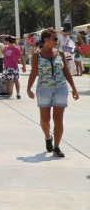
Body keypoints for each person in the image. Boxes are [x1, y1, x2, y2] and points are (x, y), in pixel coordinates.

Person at [26, 29, 79, 157]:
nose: (57, 41)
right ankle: (47, 137)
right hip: (43, 89)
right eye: (55, 38)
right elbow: (34, 72)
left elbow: (66, 71)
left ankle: (57, 146)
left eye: (57, 39)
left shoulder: (60, 53)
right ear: (46, 40)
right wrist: (28, 88)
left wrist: (74, 88)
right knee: (45, 120)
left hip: (61, 88)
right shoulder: (36, 55)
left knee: (58, 119)